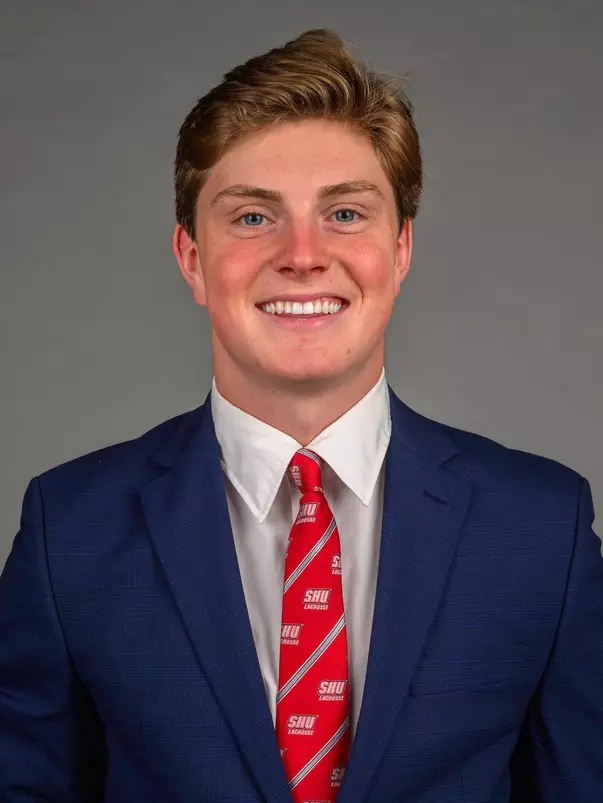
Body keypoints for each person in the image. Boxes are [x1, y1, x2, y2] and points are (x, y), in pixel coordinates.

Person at [0, 27, 601, 803]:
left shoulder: (538, 529)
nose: (303, 253)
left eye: (346, 214)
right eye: (253, 217)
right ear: (190, 258)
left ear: (401, 248)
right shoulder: (69, 529)